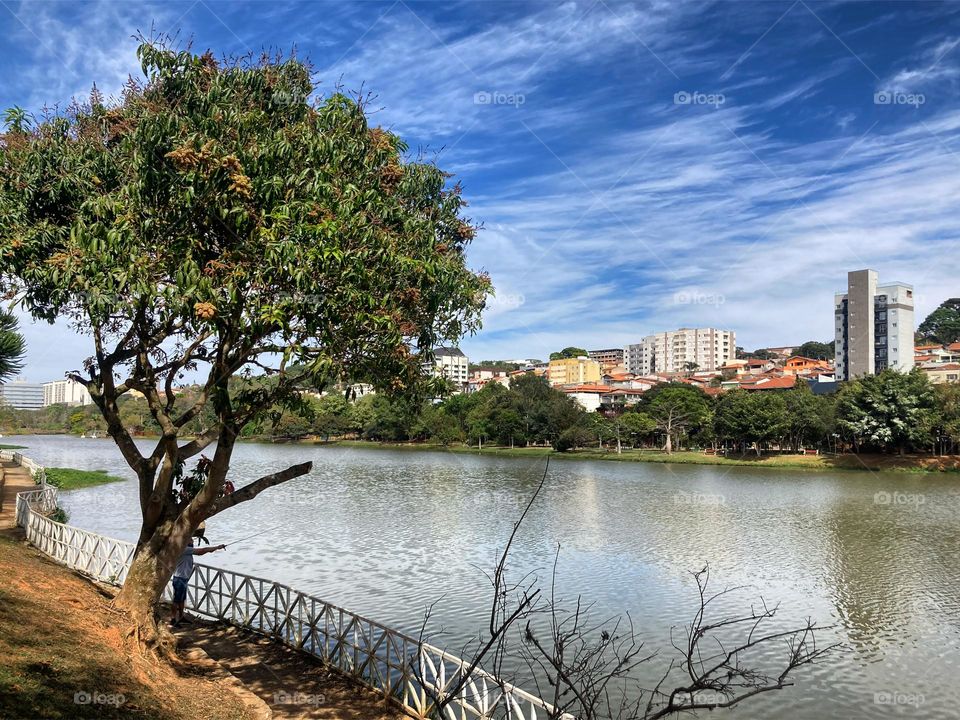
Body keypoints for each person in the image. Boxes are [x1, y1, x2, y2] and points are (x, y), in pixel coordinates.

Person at [170, 531, 226, 627]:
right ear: (186, 542)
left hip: (183, 578)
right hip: (179, 578)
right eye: (191, 540)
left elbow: (202, 551)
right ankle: (173, 619)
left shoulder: (187, 550)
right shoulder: (184, 549)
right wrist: (217, 547)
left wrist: (213, 549)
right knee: (176, 599)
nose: (192, 542)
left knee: (182, 599)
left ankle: (181, 616)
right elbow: (201, 551)